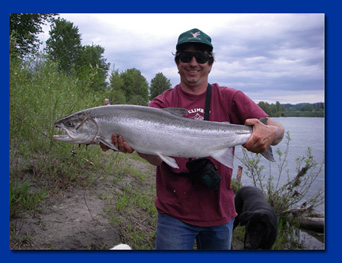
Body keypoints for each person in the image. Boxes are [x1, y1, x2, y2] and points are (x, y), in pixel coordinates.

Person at [101, 28, 284, 250]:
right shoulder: (160, 104)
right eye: (186, 57)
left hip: (221, 214)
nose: (194, 62)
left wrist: (271, 134)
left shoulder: (230, 98)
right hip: (174, 215)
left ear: (210, 63)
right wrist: (133, 143)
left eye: (202, 57)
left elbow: (276, 129)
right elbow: (157, 160)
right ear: (178, 63)